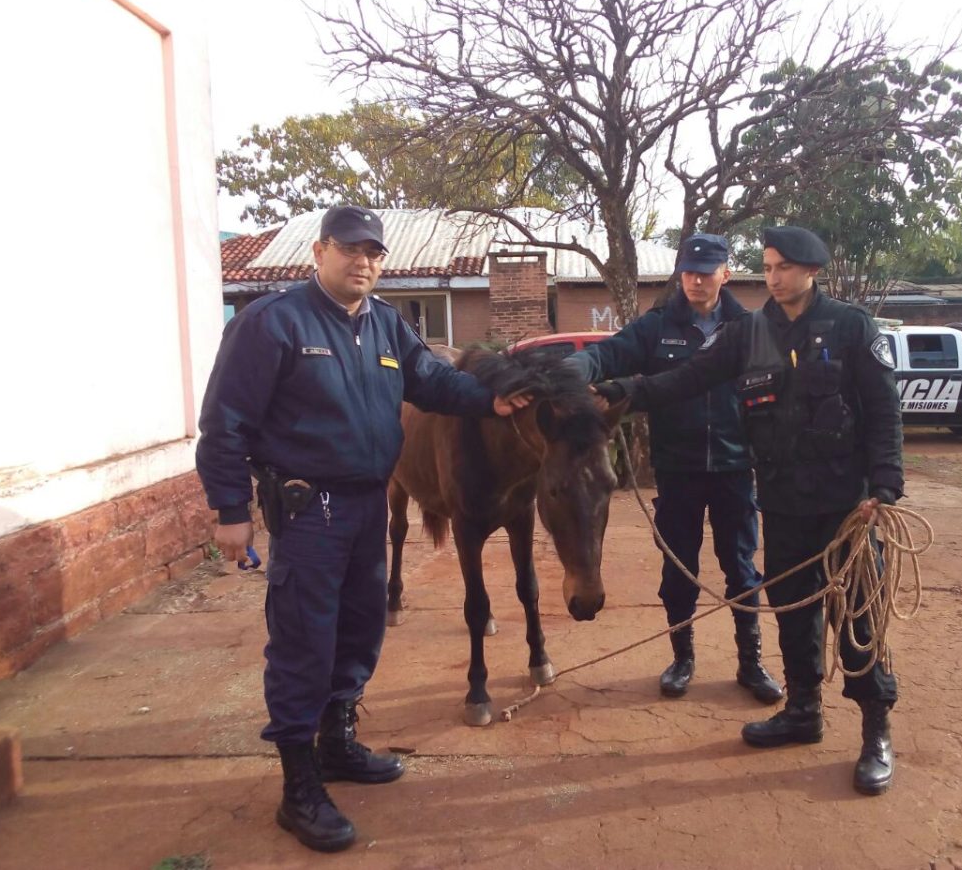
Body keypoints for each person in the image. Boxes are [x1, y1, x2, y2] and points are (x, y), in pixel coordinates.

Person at [195, 206, 531, 852]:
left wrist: (487, 400)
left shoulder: (385, 326)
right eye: (350, 249)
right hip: (307, 510)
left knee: (360, 630)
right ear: (319, 252)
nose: (364, 262)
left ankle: (337, 742)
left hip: (365, 506)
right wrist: (230, 509)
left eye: (374, 252)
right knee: (303, 643)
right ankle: (298, 789)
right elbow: (225, 420)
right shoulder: (274, 323)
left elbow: (430, 380)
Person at [593, 225, 904, 795]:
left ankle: (874, 732)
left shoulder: (851, 326)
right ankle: (803, 713)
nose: (773, 277)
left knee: (858, 616)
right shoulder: (750, 332)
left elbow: (884, 411)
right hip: (783, 502)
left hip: (846, 506)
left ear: (811, 270)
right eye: (767, 266)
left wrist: (884, 487)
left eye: (783, 267)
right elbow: (686, 378)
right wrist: (623, 391)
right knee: (792, 611)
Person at [565, 233, 782, 705]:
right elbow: (608, 354)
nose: (696, 280)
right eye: (688, 271)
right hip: (677, 468)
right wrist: (577, 366)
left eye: (707, 271)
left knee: (741, 569)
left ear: (726, 273)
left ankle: (751, 663)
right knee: (678, 570)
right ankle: (682, 659)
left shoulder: (751, 327)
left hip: (733, 467)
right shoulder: (655, 327)